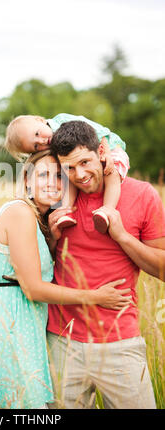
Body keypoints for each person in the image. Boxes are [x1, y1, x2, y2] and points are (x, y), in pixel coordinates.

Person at [0, 150, 131, 409]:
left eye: (60, 176)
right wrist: (95, 297)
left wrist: (53, 240)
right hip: (10, 326)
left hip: (25, 327)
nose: (52, 182)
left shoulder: (34, 219)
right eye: (43, 174)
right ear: (26, 180)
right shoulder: (20, 212)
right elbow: (33, 288)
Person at [47, 120, 165, 409]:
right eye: (69, 168)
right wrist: (51, 237)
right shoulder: (53, 198)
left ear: (102, 150)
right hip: (61, 342)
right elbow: (30, 264)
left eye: (85, 162)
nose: (80, 175)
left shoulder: (143, 194)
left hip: (120, 343)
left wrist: (122, 236)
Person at [5, 113, 130, 233]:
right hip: (85, 156)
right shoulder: (51, 148)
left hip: (110, 145)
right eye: (36, 146)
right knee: (69, 178)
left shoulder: (62, 120)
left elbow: (100, 132)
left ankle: (108, 209)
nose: (42, 141)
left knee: (112, 172)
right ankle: (65, 212)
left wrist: (107, 153)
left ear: (40, 120)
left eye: (37, 133)